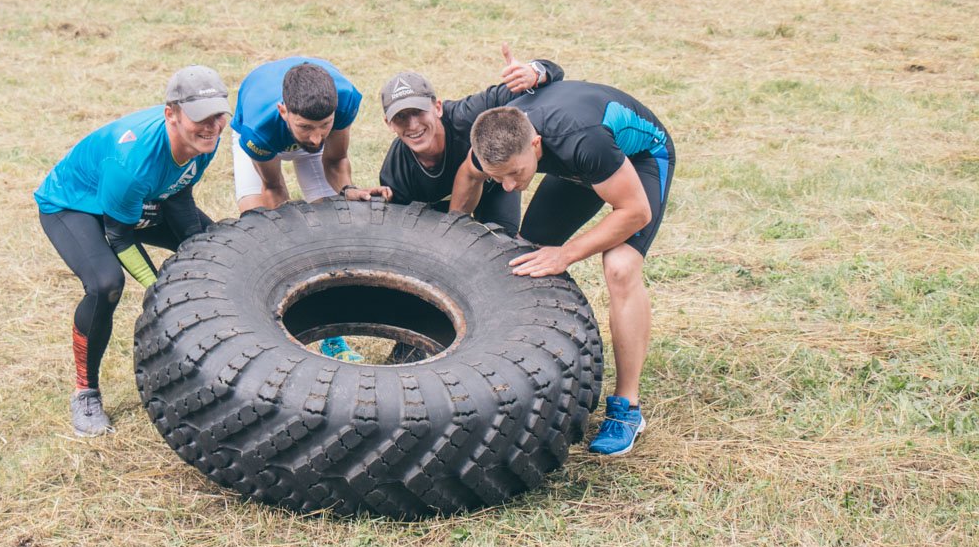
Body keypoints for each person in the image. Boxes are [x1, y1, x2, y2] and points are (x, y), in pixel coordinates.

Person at [451, 81, 674, 456]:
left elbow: (636, 212)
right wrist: (453, 231)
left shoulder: (582, 141)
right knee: (529, 253)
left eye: (514, 174)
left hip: (642, 157)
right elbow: (467, 175)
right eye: (498, 177)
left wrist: (567, 253)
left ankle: (627, 408)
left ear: (535, 145)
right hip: (579, 166)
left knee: (619, 266)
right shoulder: (496, 140)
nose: (507, 187)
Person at [35, 66, 231, 437]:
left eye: (219, 116)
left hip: (140, 198)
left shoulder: (207, 138)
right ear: (171, 115)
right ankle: (85, 392)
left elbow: (179, 191)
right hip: (74, 205)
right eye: (201, 118)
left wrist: (198, 248)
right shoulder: (132, 162)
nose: (212, 126)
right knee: (105, 284)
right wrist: (159, 291)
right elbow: (121, 237)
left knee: (217, 250)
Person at [230, 57, 387, 362]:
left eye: (324, 126)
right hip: (266, 141)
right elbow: (274, 188)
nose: (316, 138)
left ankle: (331, 338)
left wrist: (347, 190)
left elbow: (334, 160)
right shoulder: (259, 128)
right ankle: (270, 332)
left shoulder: (343, 101)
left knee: (330, 228)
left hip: (301, 137)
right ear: (283, 111)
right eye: (306, 128)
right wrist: (292, 244)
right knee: (261, 227)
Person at [378, 44, 563, 236]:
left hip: (494, 186)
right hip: (435, 211)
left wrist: (535, 72)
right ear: (388, 123)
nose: (413, 125)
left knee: (502, 242)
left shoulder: (470, 114)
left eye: (418, 112)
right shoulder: (395, 170)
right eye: (400, 117)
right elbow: (398, 234)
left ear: (438, 108)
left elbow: (551, 78)